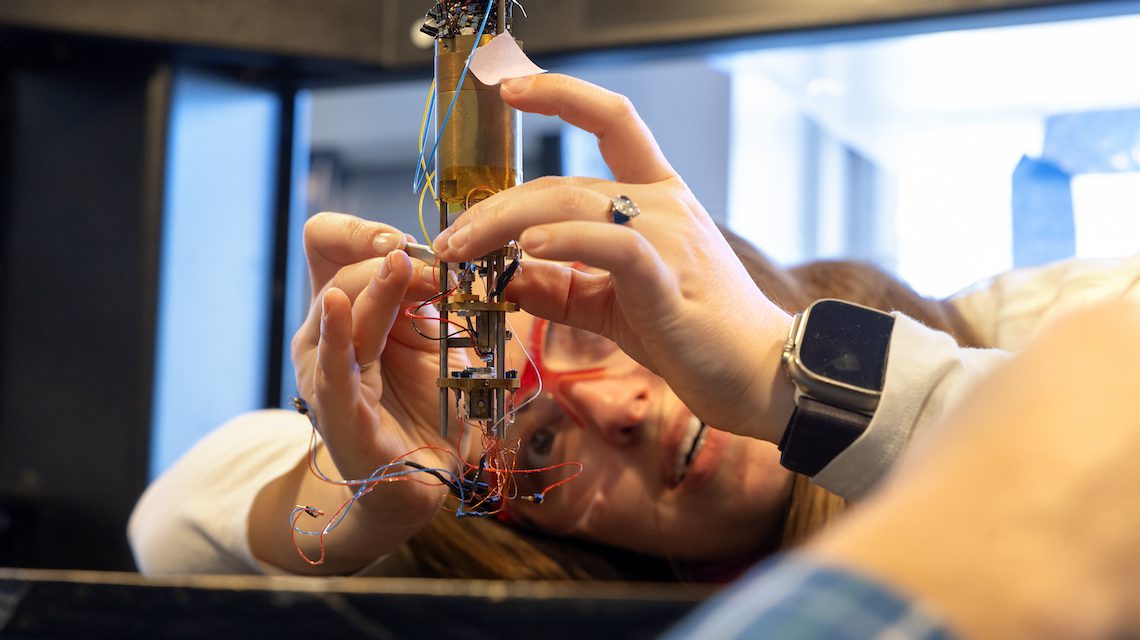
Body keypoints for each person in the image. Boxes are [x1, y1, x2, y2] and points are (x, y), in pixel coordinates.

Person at [129, 73, 1140, 590]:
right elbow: (172, 524)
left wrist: (791, 377)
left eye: (588, 328)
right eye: (537, 440)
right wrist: (377, 504)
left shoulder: (1054, 322)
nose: (612, 410)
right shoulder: (534, 558)